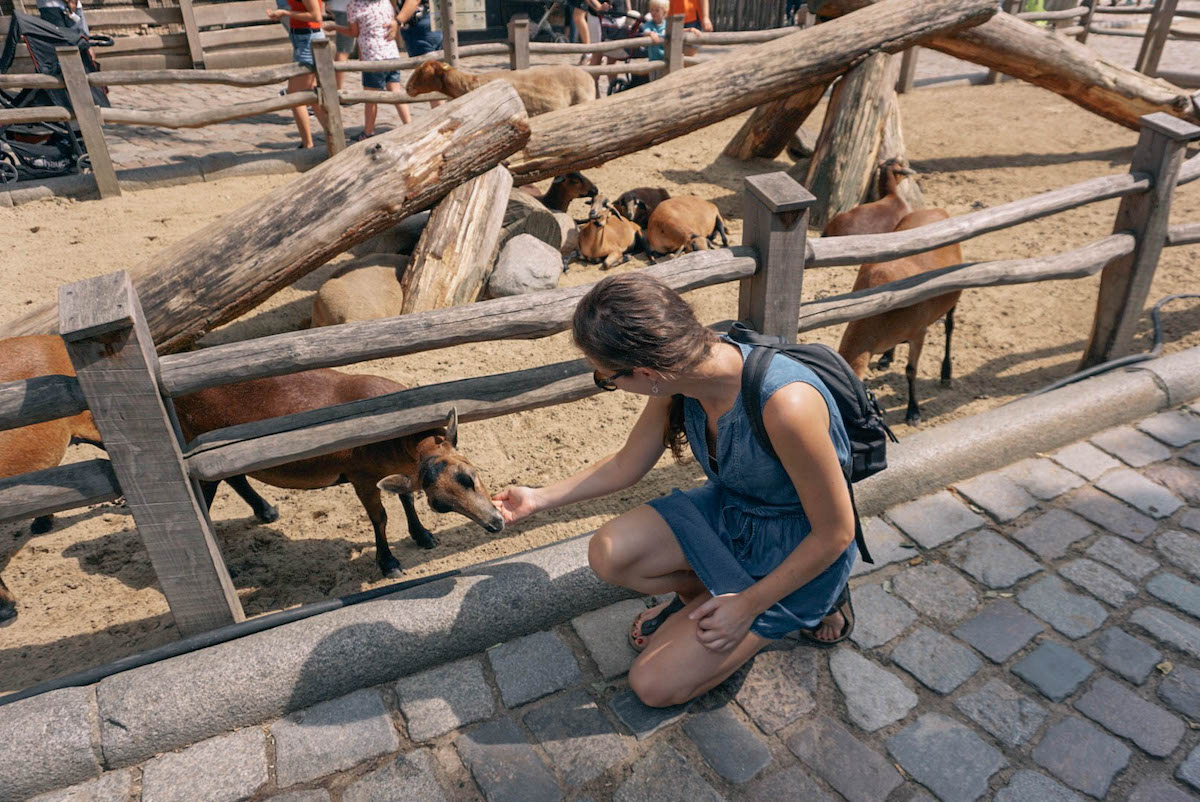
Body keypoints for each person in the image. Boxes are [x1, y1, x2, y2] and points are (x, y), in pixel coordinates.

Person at [491, 273, 857, 708]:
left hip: (798, 547)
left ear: (646, 372)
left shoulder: (786, 405)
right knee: (609, 551)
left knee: (653, 686)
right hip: (732, 512)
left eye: (605, 377)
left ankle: (798, 603)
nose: (607, 383)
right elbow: (628, 464)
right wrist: (538, 497)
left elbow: (835, 533)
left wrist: (747, 607)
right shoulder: (677, 379)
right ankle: (705, 599)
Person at [328, 0, 411, 140]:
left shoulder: (354, 6)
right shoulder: (386, 2)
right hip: (391, 53)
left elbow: (354, 32)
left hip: (372, 56)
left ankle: (368, 131)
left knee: (370, 97)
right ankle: (409, 125)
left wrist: (334, 27)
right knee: (396, 92)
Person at [267, 0, 332, 149]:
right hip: (302, 37)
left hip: (308, 39)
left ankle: (308, 145)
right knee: (313, 97)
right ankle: (333, 136)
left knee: (295, 97)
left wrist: (285, 13)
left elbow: (316, 16)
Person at [395, 0, 443, 109]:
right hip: (432, 20)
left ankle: (439, 116)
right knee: (435, 72)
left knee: (429, 75)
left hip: (419, 25)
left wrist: (397, 21)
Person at [325, 0, 356, 91]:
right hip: (345, 8)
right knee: (343, 50)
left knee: (344, 49)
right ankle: (338, 89)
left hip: (343, 7)